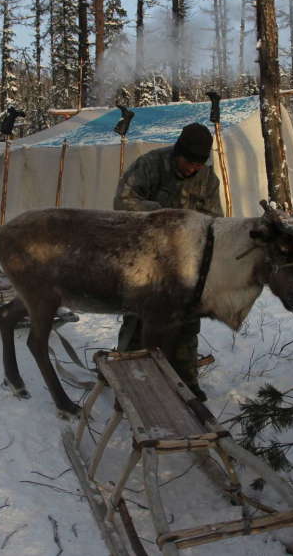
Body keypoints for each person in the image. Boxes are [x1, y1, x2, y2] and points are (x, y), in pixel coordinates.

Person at [113, 122, 223, 401]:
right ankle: (126, 379)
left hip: (184, 264)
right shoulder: (150, 166)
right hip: (145, 260)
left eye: (199, 164)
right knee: (139, 320)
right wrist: (164, 215)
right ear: (177, 153)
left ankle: (186, 381)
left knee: (186, 323)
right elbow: (123, 201)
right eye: (189, 162)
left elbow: (214, 222)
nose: (193, 169)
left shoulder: (208, 180)